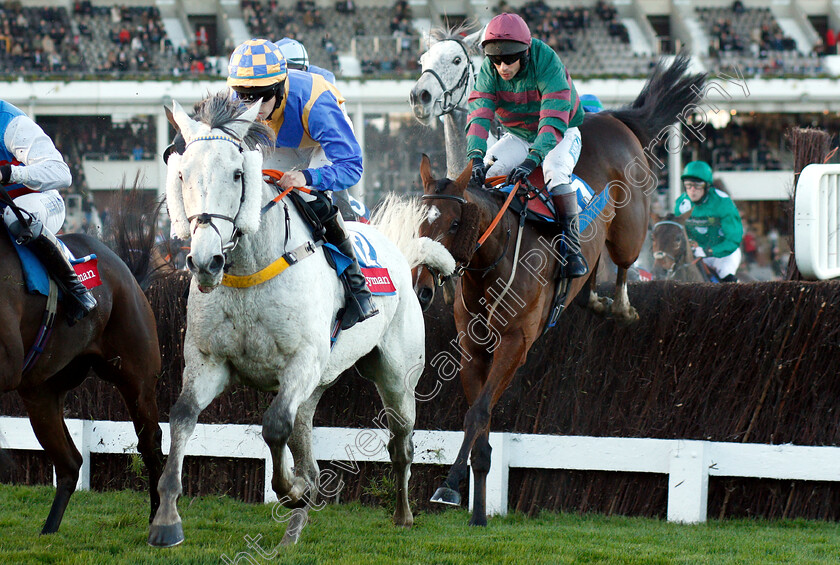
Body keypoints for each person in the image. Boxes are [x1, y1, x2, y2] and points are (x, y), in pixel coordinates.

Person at [227, 38, 376, 329]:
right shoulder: (239, 99)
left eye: (261, 98)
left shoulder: (317, 102)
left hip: (320, 141)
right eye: (244, 97)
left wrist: (308, 177)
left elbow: (352, 168)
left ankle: (358, 290)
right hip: (279, 141)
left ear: (280, 87)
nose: (252, 109)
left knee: (309, 197)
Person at [465, 12, 587, 278]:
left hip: (562, 130)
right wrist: (475, 157)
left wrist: (532, 160)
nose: (502, 67)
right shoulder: (489, 71)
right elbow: (479, 113)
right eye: (496, 60)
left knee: (554, 171)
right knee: (486, 172)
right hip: (519, 134)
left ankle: (572, 248)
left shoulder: (547, 61)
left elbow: (554, 118)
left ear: (525, 52)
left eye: (509, 59)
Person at [0, 99, 96, 319]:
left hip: (40, 203)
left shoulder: (11, 124)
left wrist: (11, 174)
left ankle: (75, 288)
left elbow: (61, 173)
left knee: (15, 217)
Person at [674, 160, 743, 282]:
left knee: (725, 273)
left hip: (722, 254)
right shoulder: (681, 204)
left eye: (697, 185)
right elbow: (678, 233)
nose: (692, 190)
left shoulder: (723, 202)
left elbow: (733, 239)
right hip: (697, 252)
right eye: (688, 185)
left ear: (707, 186)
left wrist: (709, 251)